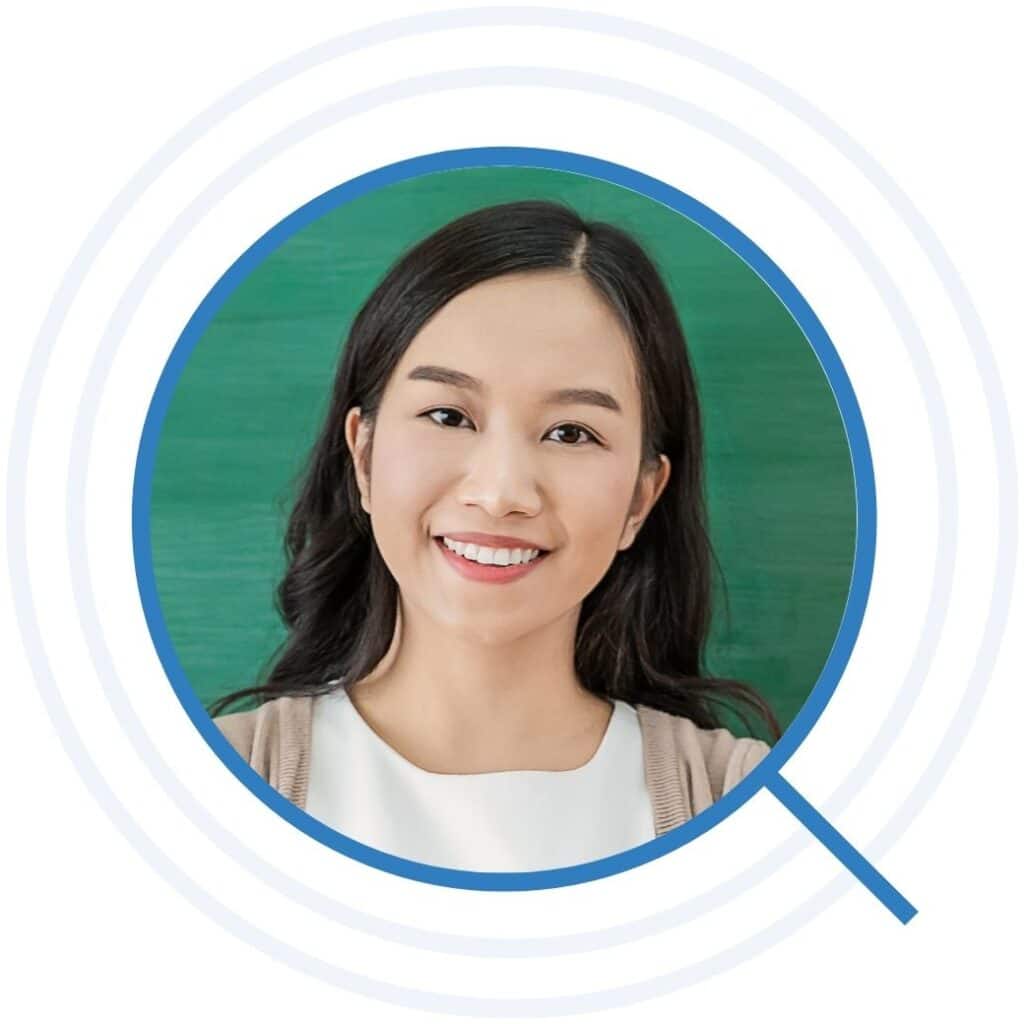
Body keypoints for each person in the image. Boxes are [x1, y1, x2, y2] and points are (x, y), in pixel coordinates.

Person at [211, 198, 780, 872]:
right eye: (449, 415)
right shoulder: (210, 784)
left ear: (639, 497)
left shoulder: (750, 804)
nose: (503, 491)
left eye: (572, 433)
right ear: (363, 457)